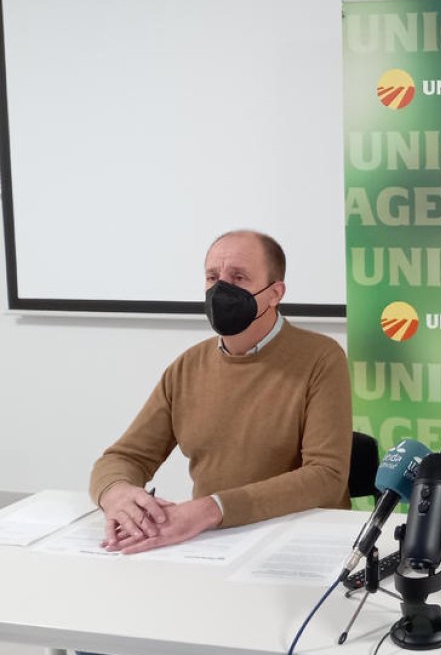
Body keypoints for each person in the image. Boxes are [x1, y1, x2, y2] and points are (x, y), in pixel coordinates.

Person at [89, 230, 351, 554]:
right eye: (212, 277)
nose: (220, 289)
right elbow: (125, 457)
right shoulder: (187, 367)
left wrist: (211, 509)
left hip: (300, 543)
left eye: (238, 277)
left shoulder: (322, 358)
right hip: (213, 545)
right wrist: (115, 493)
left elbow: (326, 477)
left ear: (274, 293)